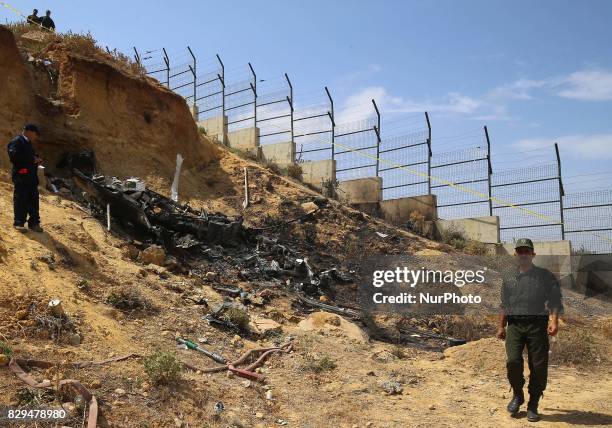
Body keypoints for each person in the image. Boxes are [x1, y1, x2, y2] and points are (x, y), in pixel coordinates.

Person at [497, 238, 563, 422]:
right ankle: (518, 395)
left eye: (527, 252)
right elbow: (504, 304)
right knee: (513, 362)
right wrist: (501, 325)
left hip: (537, 326)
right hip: (515, 326)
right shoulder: (509, 276)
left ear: (533, 255)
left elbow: (555, 301)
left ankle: (533, 404)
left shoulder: (544, 276)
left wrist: (554, 321)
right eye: (520, 252)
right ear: (516, 255)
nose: (523, 255)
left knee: (539, 366)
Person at [7, 124, 44, 233]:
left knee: (34, 200)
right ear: (30, 131)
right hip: (21, 176)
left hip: (31, 177)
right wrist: (32, 159)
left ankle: (34, 223)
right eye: (36, 134)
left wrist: (36, 158)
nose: (36, 137)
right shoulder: (17, 141)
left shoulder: (27, 143)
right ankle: (19, 223)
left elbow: (29, 155)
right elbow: (14, 156)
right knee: (21, 199)